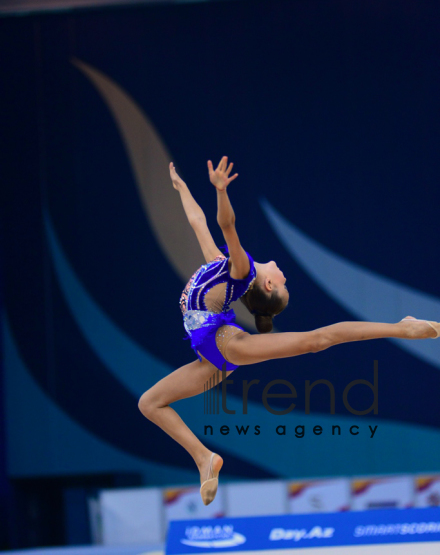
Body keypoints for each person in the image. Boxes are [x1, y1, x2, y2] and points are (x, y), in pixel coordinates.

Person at [138, 156, 440, 506]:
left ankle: (402, 329)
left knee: (315, 341)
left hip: (225, 345)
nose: (284, 273)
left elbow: (227, 223)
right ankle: (204, 457)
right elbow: (198, 222)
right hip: (209, 356)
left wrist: (221, 191)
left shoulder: (241, 269)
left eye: (283, 283)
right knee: (150, 403)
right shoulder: (218, 265)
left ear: (266, 283)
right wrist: (182, 187)